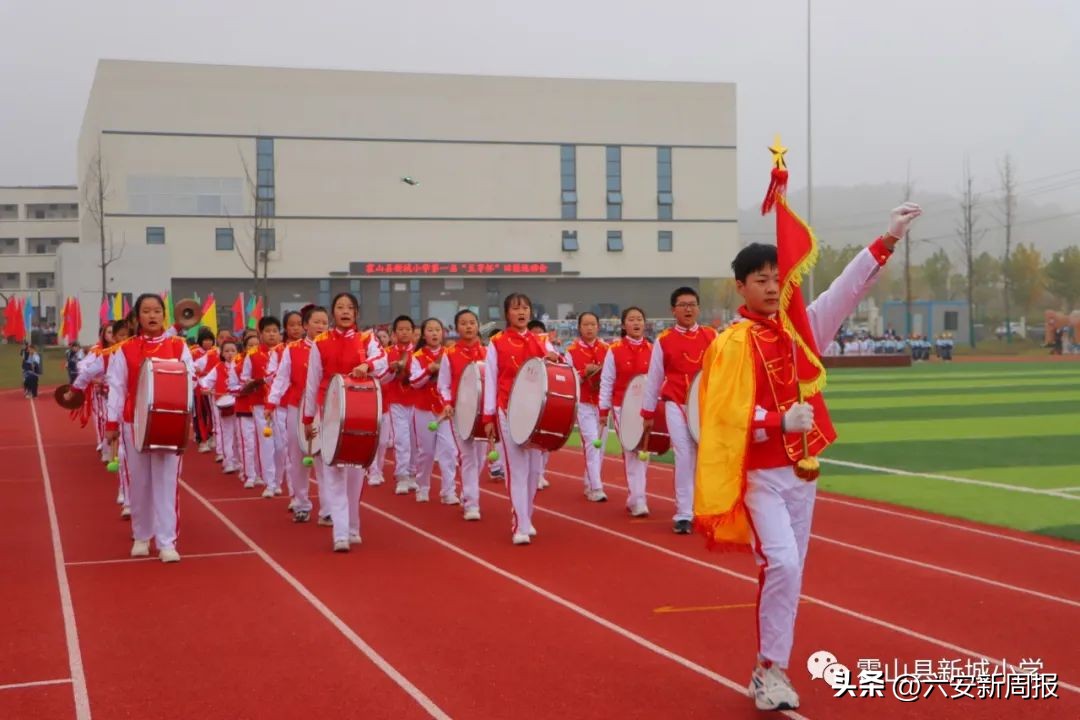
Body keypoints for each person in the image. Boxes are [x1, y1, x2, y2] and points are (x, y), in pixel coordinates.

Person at [695, 203, 922, 711]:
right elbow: (723, 419)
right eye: (760, 279)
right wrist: (777, 422)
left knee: (791, 570)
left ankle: (769, 666)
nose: (773, 286)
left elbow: (846, 289)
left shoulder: (803, 328)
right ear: (740, 287)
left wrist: (887, 238)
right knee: (783, 562)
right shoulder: (730, 345)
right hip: (759, 476)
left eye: (778, 277)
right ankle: (770, 670)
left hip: (805, 471)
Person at [103, 293, 194, 563]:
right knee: (140, 482)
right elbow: (116, 389)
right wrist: (112, 423)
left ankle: (167, 541)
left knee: (167, 483)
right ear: (137, 317)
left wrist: (186, 417)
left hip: (170, 422)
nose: (152, 316)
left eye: (157, 311)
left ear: (163, 315)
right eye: (146, 311)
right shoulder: (126, 348)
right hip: (135, 423)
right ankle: (142, 536)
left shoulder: (178, 346)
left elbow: (191, 380)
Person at [302, 293, 387, 552]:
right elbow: (312, 380)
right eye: (340, 307)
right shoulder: (321, 342)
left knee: (355, 472)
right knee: (333, 469)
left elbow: (384, 361)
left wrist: (366, 366)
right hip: (328, 411)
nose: (345, 311)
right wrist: (307, 417)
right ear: (333, 313)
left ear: (357, 313)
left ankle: (353, 525)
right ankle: (340, 533)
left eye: (350, 307)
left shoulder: (366, 339)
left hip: (360, 411)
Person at [482, 293, 559, 545]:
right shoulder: (497, 343)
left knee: (534, 471)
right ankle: (519, 524)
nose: (521, 312)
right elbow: (491, 380)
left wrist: (555, 358)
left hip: (537, 414)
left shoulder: (541, 341)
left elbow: (559, 362)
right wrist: (489, 416)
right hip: (507, 409)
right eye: (516, 309)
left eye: (525, 307)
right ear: (507, 314)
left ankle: (527, 517)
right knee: (517, 469)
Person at [640, 287, 718, 534]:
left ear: (698, 308)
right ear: (673, 310)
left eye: (692, 304)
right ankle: (684, 513)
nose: (688, 309)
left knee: (706, 458)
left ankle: (705, 509)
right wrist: (648, 414)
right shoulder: (664, 341)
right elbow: (653, 379)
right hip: (676, 403)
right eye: (683, 305)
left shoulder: (712, 336)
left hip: (705, 406)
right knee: (684, 456)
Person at [266, 306, 329, 524]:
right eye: (316, 322)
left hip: (325, 408)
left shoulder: (330, 347)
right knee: (298, 455)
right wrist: (271, 402)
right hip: (296, 407)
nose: (321, 326)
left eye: (324, 322)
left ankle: (327, 508)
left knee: (324, 457)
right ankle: (301, 503)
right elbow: (281, 378)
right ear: (305, 325)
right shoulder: (292, 349)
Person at [598, 307, 653, 517]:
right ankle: (639, 499)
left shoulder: (652, 348)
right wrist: (604, 410)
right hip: (622, 406)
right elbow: (607, 381)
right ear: (623, 325)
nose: (636, 323)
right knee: (632, 451)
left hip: (646, 407)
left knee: (644, 452)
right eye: (631, 320)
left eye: (639, 319)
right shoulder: (615, 350)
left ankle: (635, 496)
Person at [437, 309, 487, 520]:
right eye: (464, 323)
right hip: (460, 413)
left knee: (480, 458)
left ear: (478, 326)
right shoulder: (449, 354)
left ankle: (467, 492)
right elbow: (443, 385)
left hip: (485, 414)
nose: (468, 326)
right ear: (456, 328)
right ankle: (472, 504)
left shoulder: (488, 353)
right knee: (468, 458)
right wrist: (447, 403)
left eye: (472, 323)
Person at [408, 318, 459, 504]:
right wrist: (429, 370)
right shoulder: (418, 356)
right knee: (427, 452)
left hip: (445, 411)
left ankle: (449, 491)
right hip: (423, 409)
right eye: (430, 330)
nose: (435, 333)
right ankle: (423, 486)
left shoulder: (450, 353)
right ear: (423, 334)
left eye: (438, 329)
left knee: (448, 451)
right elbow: (414, 382)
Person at [563, 312, 609, 502]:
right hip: (583, 404)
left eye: (593, 324)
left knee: (601, 446)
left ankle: (589, 482)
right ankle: (597, 487)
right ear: (579, 327)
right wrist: (583, 373)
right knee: (591, 443)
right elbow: (568, 380)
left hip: (602, 403)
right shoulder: (571, 351)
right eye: (585, 325)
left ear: (598, 327)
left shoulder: (608, 349)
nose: (589, 328)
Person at [241, 316, 282, 498]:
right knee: (267, 444)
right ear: (261, 334)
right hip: (260, 405)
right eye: (268, 331)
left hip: (281, 405)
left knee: (281, 446)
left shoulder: (285, 352)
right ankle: (270, 483)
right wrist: (252, 383)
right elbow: (244, 378)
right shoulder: (253, 354)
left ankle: (279, 481)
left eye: (275, 331)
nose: (272, 334)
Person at [198, 339, 242, 474]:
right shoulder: (218, 368)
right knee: (227, 433)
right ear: (222, 353)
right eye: (226, 351)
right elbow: (205, 381)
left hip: (240, 404)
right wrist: (205, 388)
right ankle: (228, 461)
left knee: (239, 434)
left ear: (238, 352)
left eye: (233, 351)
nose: (230, 354)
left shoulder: (241, 366)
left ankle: (238, 461)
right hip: (223, 404)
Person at [385, 316, 418, 494]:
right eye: (401, 329)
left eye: (408, 329)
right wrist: (392, 369)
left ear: (413, 332)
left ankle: (413, 474)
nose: (404, 332)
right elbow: (382, 375)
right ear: (395, 333)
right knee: (401, 440)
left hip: (416, 402)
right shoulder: (388, 352)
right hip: (396, 401)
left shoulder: (419, 353)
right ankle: (402, 476)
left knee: (415, 441)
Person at [526, 320, 552, 491]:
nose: (537, 335)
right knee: (532, 442)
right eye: (533, 332)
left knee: (546, 441)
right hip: (528, 399)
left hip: (545, 399)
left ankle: (540, 472)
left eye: (540, 332)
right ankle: (534, 474)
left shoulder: (547, 345)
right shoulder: (525, 346)